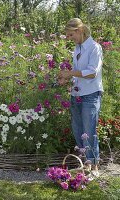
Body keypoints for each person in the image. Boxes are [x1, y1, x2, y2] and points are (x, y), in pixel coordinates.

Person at [58, 18, 103, 176]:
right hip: (76, 94)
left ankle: (94, 165)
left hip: (90, 95)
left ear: (79, 31)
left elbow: (92, 72)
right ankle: (85, 163)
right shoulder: (78, 49)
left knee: (89, 131)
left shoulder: (94, 48)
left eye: (71, 35)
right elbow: (78, 72)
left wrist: (70, 73)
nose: (70, 39)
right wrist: (67, 78)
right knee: (78, 130)